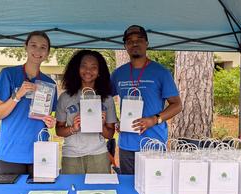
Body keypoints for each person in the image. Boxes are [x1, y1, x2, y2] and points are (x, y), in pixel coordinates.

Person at [111, 25, 181, 174]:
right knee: (128, 188)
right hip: (127, 144)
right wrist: (114, 119)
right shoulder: (118, 73)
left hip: (153, 144)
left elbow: (177, 105)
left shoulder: (161, 72)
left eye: (139, 40)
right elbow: (105, 99)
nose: (134, 43)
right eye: (130, 41)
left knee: (154, 189)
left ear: (147, 44)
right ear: (125, 46)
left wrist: (154, 120)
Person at [0, 31, 57, 175]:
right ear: (26, 47)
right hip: (11, 152)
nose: (38, 51)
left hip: (40, 152)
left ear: (47, 53)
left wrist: (50, 122)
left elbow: (48, 116)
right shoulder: (8, 74)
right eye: (33, 45)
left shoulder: (49, 83)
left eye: (43, 47)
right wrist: (17, 95)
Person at [55, 50, 117, 174]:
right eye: (84, 66)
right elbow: (58, 130)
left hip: (99, 155)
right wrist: (73, 128)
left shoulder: (107, 99)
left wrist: (101, 126)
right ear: (77, 69)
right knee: (72, 191)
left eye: (93, 67)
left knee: (99, 193)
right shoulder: (65, 97)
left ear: (100, 72)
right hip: (71, 156)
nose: (88, 71)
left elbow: (110, 134)